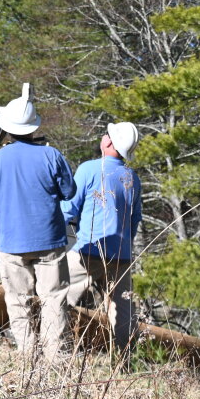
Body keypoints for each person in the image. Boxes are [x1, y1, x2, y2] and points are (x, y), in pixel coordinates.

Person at [0, 83, 77, 357]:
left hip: (11, 243)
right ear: (33, 127)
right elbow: (69, 191)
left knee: (18, 301)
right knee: (54, 299)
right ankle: (56, 358)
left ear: (6, 128)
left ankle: (27, 354)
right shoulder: (51, 155)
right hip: (50, 241)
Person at [64, 121, 144, 351]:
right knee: (123, 312)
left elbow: (68, 209)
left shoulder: (89, 169)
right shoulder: (132, 178)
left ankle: (51, 352)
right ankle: (126, 360)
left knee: (57, 298)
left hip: (89, 250)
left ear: (108, 141)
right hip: (122, 254)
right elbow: (135, 219)